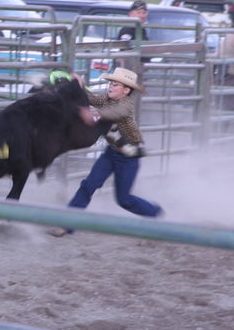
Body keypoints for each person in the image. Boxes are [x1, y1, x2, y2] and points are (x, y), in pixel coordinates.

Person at [49, 68, 162, 238]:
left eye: (116, 85)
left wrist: (92, 113)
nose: (111, 86)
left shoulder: (125, 105)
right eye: (111, 83)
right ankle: (67, 224)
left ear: (126, 91)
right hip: (113, 151)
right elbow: (92, 98)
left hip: (129, 155)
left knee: (123, 199)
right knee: (88, 185)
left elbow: (109, 113)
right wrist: (80, 86)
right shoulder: (108, 98)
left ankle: (154, 214)